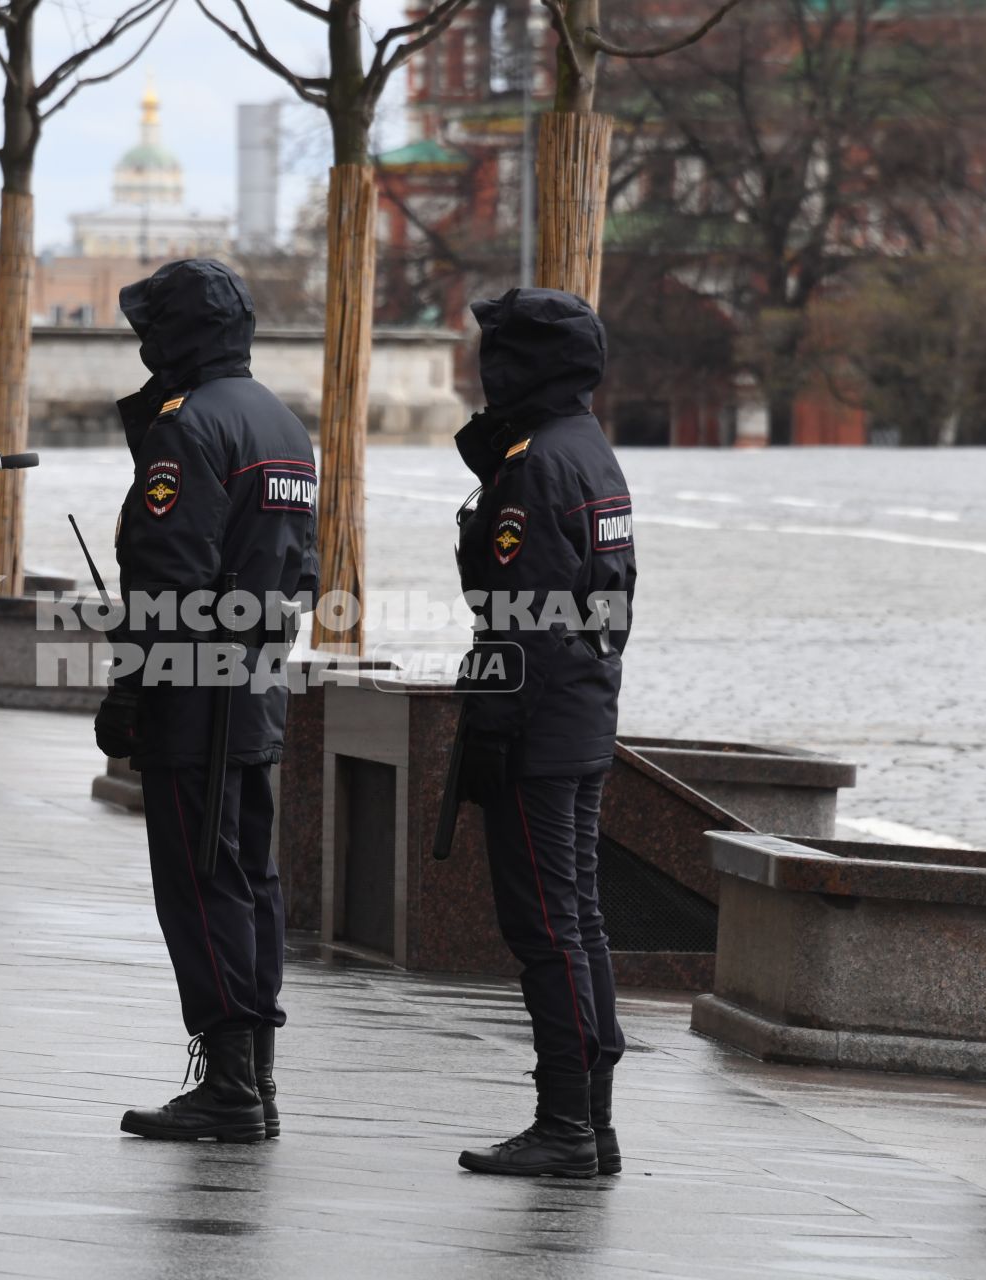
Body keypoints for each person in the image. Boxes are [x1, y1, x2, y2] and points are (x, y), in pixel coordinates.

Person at [94, 259, 318, 1143]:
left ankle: (229, 1082)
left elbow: (169, 577)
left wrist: (132, 688)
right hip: (260, 685)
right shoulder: (283, 421)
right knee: (252, 881)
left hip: (197, 693)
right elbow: (302, 571)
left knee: (198, 883)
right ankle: (256, 1077)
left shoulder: (188, 428)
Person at [448, 288, 637, 1175]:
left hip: (539, 716)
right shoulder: (589, 450)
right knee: (580, 921)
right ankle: (588, 1121)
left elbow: (516, 609)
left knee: (547, 929)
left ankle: (565, 1124)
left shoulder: (538, 463)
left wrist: (493, 720)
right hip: (584, 705)